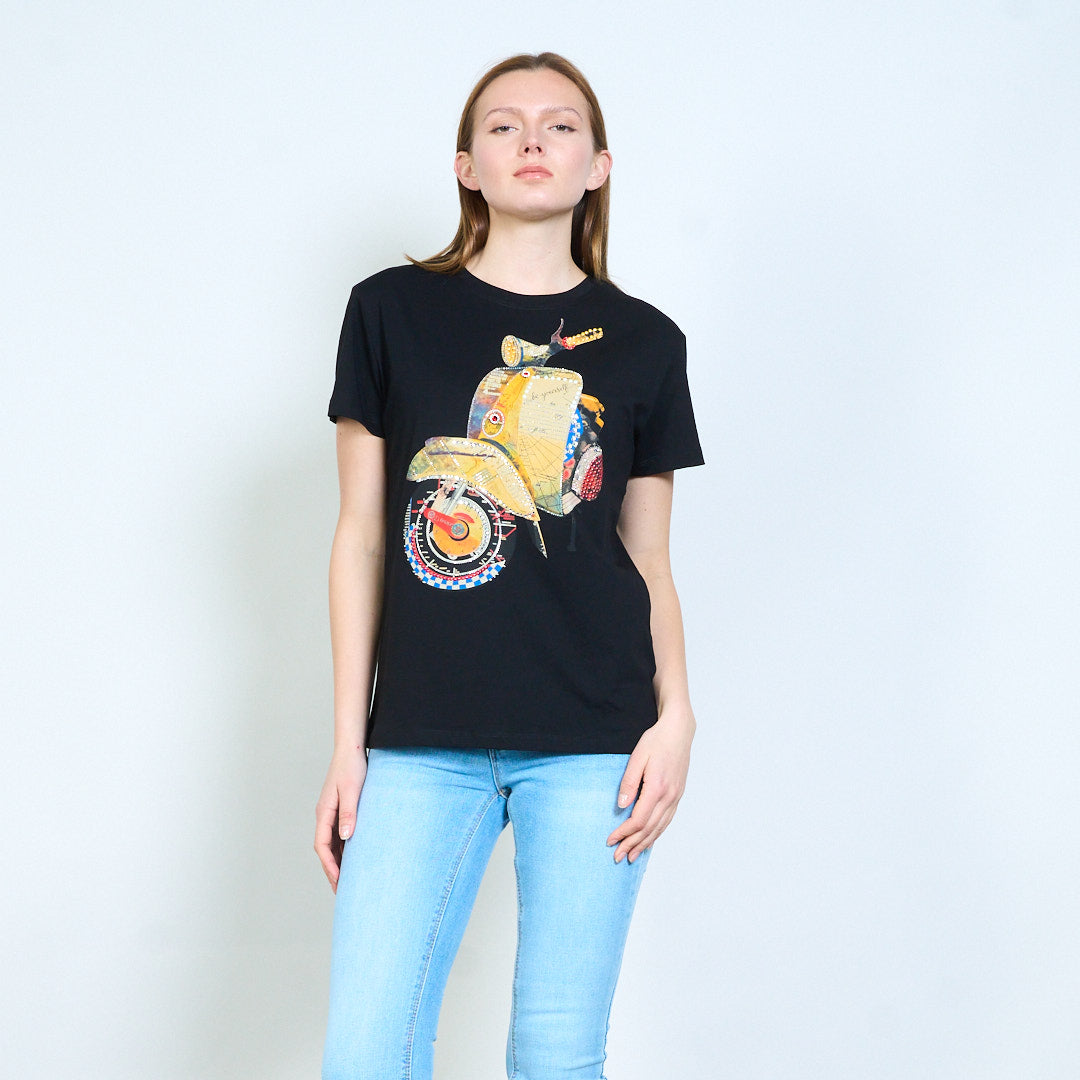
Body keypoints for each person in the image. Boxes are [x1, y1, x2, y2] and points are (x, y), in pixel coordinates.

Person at [315, 51, 704, 1080]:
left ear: (598, 165)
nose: (533, 140)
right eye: (504, 125)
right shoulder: (388, 311)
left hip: (596, 739)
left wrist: (676, 714)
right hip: (419, 740)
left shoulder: (647, 342)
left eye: (560, 124)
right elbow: (362, 534)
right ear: (467, 165)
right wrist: (349, 742)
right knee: (368, 1052)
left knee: (556, 1054)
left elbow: (647, 556)